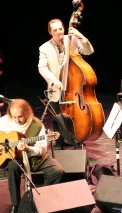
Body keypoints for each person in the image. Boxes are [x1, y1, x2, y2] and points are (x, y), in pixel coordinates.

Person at [0, 99, 64, 213]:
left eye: (19, 117)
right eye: (14, 117)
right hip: (16, 158)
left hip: (35, 158)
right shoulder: (7, 120)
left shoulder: (37, 125)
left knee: (58, 171)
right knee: (12, 168)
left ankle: (41, 199)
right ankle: (15, 204)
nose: (16, 120)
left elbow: (42, 149)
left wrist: (28, 148)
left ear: (27, 113)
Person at [38, 18, 94, 146]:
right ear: (50, 32)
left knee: (75, 116)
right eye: (55, 30)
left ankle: (77, 138)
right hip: (56, 88)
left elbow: (89, 51)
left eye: (60, 29)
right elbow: (42, 68)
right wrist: (54, 81)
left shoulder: (72, 40)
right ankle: (59, 143)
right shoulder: (44, 48)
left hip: (74, 87)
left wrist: (81, 37)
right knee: (58, 118)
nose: (59, 32)